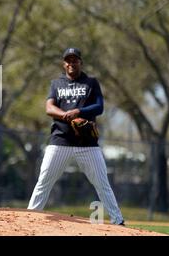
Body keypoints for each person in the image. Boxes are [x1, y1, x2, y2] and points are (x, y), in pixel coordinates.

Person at [27, 47, 125, 225]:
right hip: (59, 141)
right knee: (44, 181)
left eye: (75, 60)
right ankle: (31, 217)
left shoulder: (91, 82)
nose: (71, 63)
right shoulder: (56, 83)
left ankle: (118, 220)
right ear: (64, 63)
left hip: (87, 144)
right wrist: (65, 115)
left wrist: (79, 111)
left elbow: (99, 107)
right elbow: (49, 108)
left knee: (102, 184)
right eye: (68, 60)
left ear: (80, 62)